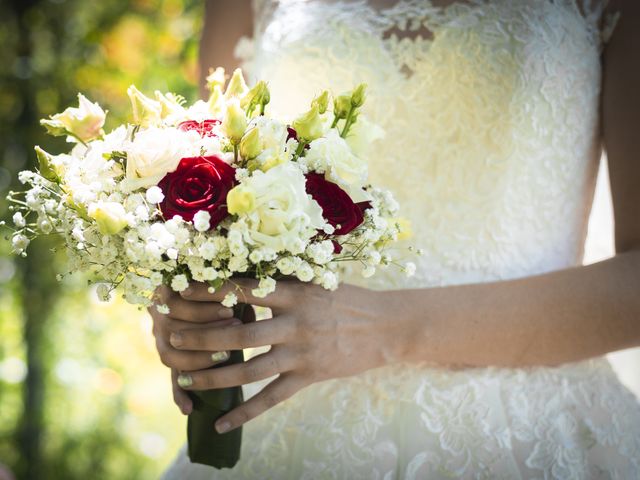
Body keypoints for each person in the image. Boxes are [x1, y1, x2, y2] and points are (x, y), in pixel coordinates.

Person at [155, 0, 640, 477]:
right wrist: (187, 300)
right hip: (283, 410)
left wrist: (384, 327)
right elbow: (213, 193)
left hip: (526, 429)